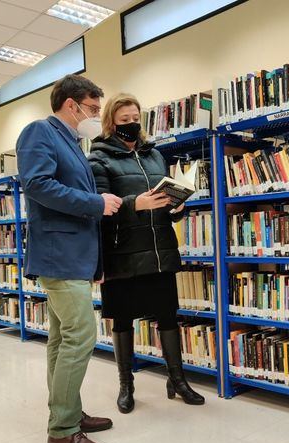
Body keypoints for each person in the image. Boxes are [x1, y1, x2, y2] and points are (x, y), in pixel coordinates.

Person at [16, 74, 123, 443]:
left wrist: (94, 258)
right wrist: (96, 203)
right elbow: (38, 185)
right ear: (70, 104)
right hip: (58, 255)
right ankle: (62, 432)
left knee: (63, 340)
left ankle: (68, 412)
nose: (96, 116)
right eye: (93, 109)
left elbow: (70, 191)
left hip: (74, 255)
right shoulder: (39, 132)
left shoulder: (76, 142)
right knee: (81, 335)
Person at [89, 93, 205, 414]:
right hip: (121, 254)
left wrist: (178, 206)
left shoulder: (155, 156)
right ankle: (126, 385)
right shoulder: (98, 160)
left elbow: (166, 205)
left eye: (135, 118)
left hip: (160, 251)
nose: (131, 124)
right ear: (111, 122)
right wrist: (134, 204)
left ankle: (177, 380)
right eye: (124, 119)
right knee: (123, 321)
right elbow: (98, 208)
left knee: (168, 317)